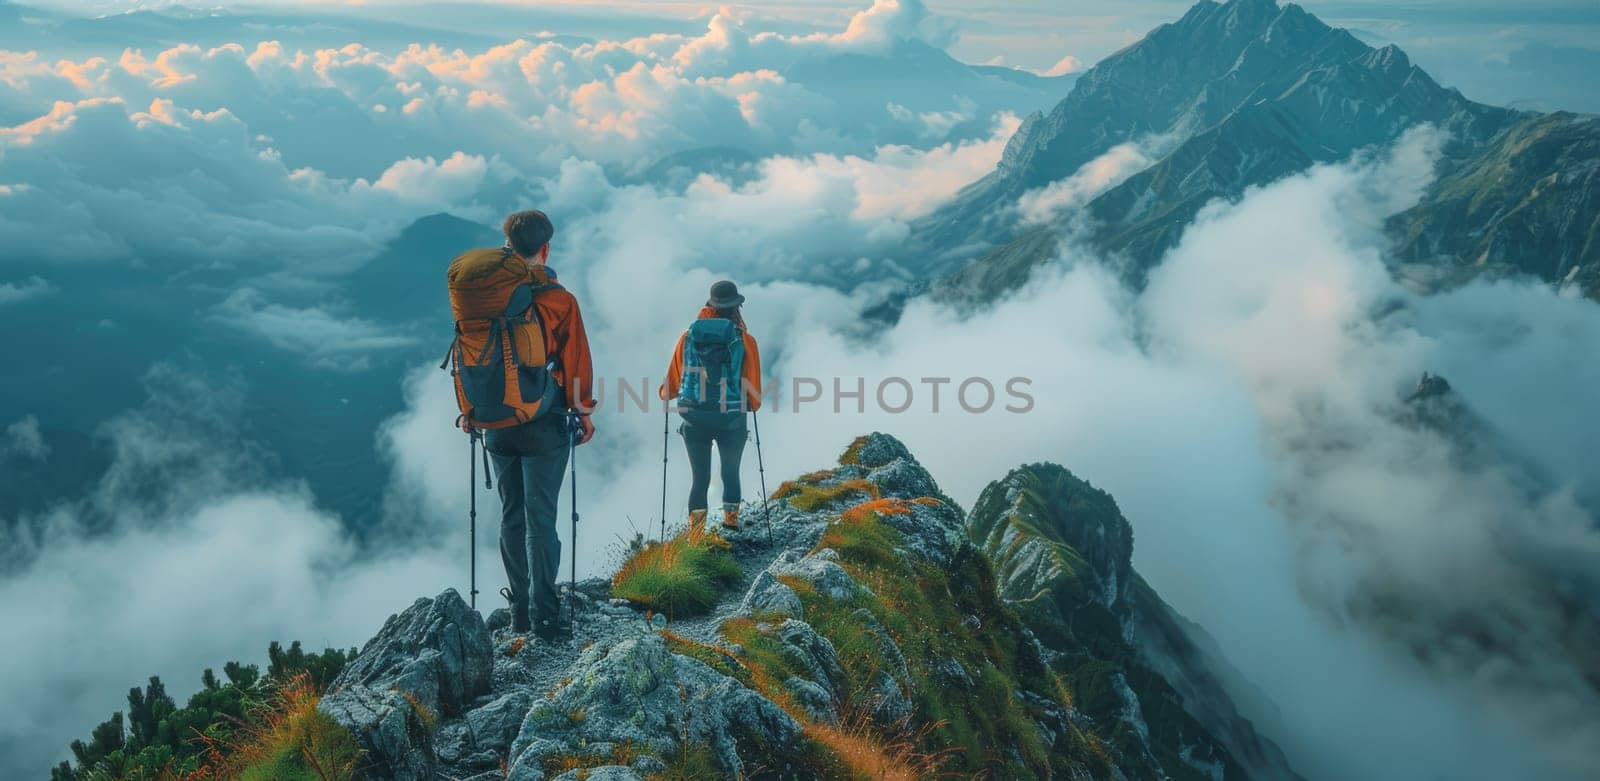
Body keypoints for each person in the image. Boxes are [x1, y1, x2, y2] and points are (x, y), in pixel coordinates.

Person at [477, 210, 596, 639]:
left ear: (507, 243)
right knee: (541, 519)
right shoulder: (559, 300)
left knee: (511, 515)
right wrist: (583, 411)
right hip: (544, 422)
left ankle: (518, 613)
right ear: (545, 248)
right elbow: (574, 361)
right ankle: (546, 615)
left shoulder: (485, 294)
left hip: (495, 422)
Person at [659, 280, 762, 530]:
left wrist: (666, 392)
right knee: (730, 473)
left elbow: (671, 386)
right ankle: (731, 523)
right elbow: (753, 391)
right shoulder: (744, 340)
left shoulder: (687, 337)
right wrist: (750, 406)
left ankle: (696, 536)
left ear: (710, 306)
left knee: (700, 478)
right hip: (731, 418)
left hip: (694, 417)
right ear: (736, 308)